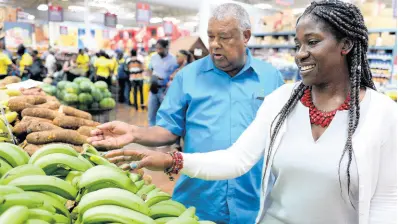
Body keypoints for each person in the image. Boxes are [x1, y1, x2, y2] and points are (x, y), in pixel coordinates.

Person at [93, 1, 398, 223]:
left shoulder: (382, 114)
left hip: (247, 203)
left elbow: (387, 201)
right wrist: (170, 157)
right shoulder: (282, 100)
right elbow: (237, 158)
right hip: (224, 207)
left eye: (313, 42)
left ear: (345, 44)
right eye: (298, 43)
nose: (300, 53)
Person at [88, 3, 284, 223]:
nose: (215, 45)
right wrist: (134, 133)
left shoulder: (270, 78)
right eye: (210, 37)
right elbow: (168, 130)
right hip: (198, 201)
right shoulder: (188, 77)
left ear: (245, 36)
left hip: (253, 203)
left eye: (224, 37)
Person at [147, 39, 178, 126]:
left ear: (166, 48)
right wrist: (152, 78)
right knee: (151, 113)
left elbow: (176, 72)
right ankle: (152, 133)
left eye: (160, 48)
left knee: (165, 113)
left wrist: (169, 80)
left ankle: (163, 133)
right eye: (157, 48)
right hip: (154, 88)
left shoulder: (173, 59)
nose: (158, 50)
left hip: (166, 90)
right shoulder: (153, 57)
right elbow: (150, 69)